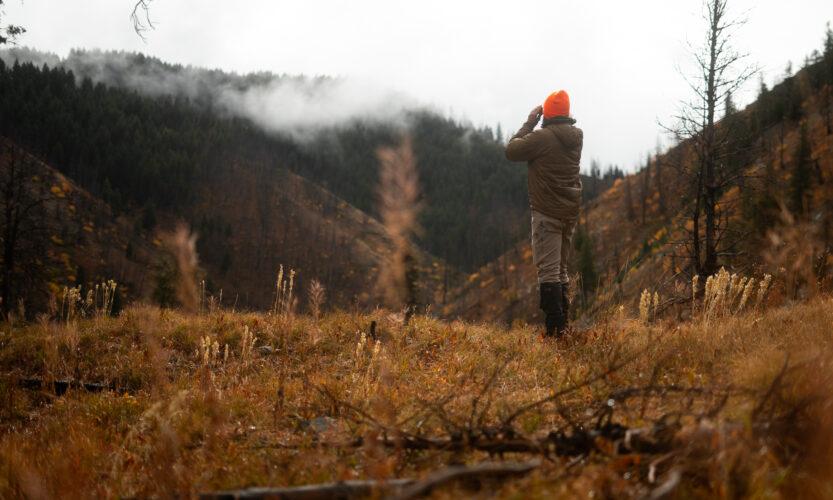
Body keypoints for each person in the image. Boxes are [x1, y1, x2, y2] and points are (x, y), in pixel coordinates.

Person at [504, 90, 583, 338]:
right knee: (560, 269)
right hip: (568, 212)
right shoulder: (576, 136)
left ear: (546, 113)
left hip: (547, 212)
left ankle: (556, 331)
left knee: (548, 271)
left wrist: (530, 122)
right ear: (567, 113)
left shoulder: (542, 138)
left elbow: (512, 151)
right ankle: (563, 326)